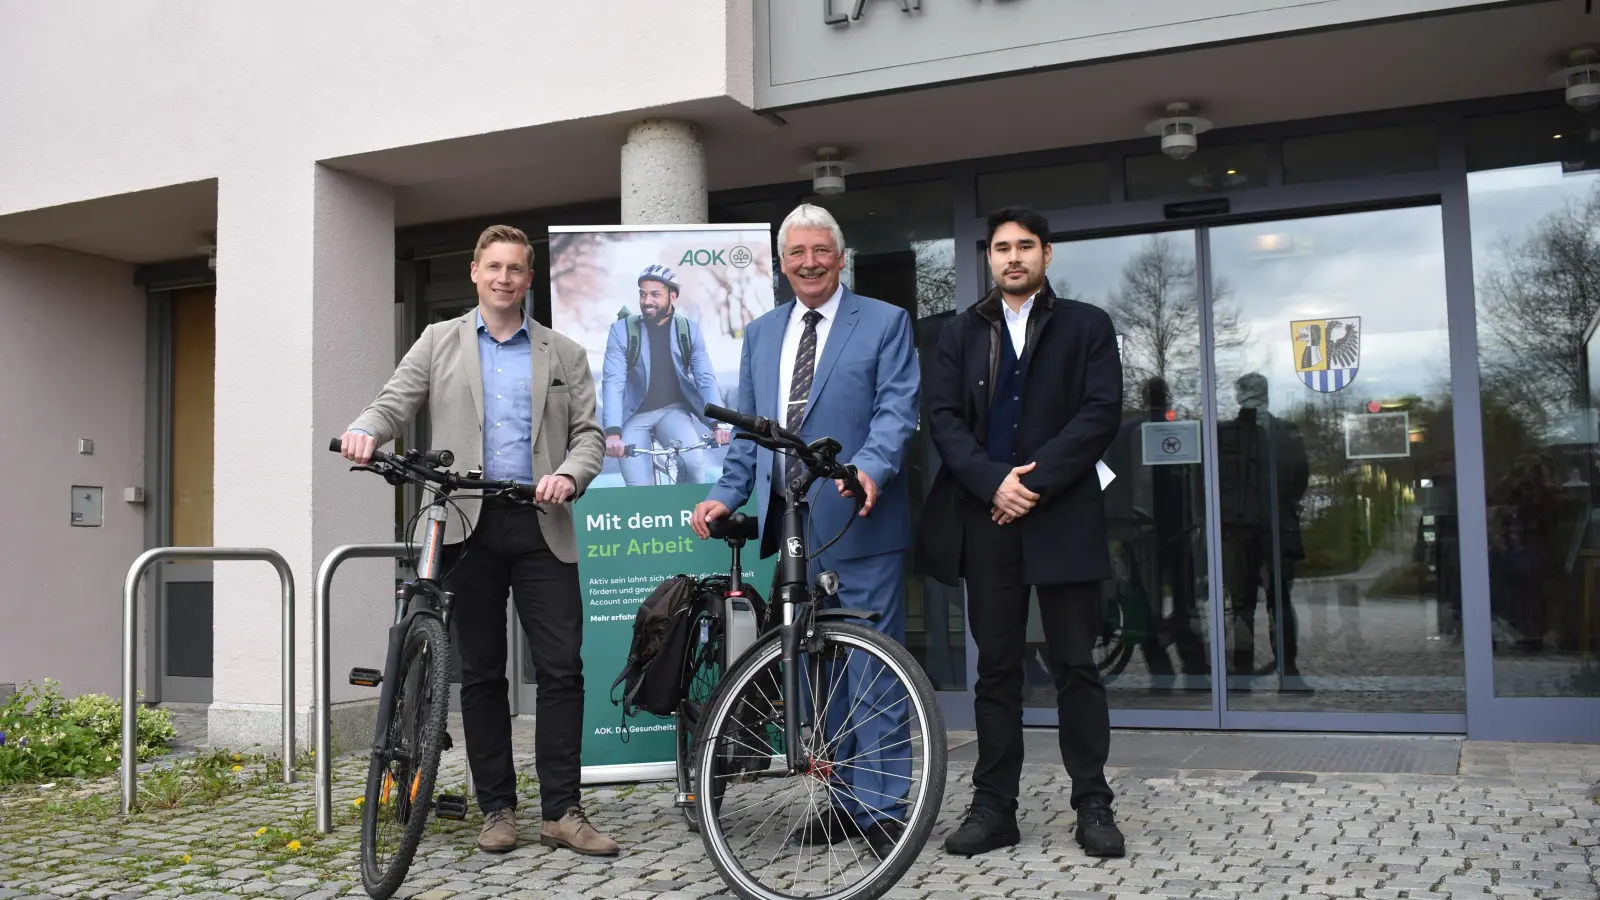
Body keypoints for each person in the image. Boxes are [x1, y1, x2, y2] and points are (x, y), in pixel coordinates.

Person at [338, 224, 617, 858]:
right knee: (483, 675)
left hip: (541, 518)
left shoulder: (563, 353)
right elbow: (394, 402)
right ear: (474, 272)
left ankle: (562, 812)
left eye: (515, 268)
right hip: (465, 521)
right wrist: (364, 430)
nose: (504, 278)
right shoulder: (439, 341)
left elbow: (590, 437)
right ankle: (497, 809)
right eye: (493, 266)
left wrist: (569, 476)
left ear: (528, 278)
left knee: (561, 668)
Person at [689, 202, 920, 856]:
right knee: (817, 673)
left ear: (840, 257)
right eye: (797, 253)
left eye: (821, 250)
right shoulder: (762, 334)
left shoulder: (885, 322)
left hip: (859, 517)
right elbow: (748, 436)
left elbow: (895, 412)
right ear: (782, 263)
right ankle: (844, 796)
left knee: (873, 669)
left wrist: (869, 469)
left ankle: (883, 809)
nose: (810, 262)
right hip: (788, 527)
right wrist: (722, 495)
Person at [917, 206, 1126, 858]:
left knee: (1075, 664)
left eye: (1025, 246)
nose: (1013, 257)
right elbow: (943, 418)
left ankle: (1092, 802)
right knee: (997, 670)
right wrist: (992, 483)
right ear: (990, 257)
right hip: (988, 518)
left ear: (1046, 254)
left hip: (1062, 513)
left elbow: (1100, 414)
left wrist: (1032, 485)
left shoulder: (1088, 325)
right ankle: (994, 807)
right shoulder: (959, 332)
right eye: (1003, 247)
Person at [602, 264, 730, 485]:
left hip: (673, 411)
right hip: (634, 415)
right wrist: (613, 432)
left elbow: (705, 378)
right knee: (639, 487)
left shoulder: (690, 331)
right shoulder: (622, 331)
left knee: (693, 465)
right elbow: (613, 382)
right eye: (643, 294)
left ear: (673, 295)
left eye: (655, 294)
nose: (647, 301)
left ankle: (690, 516)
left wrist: (719, 423)